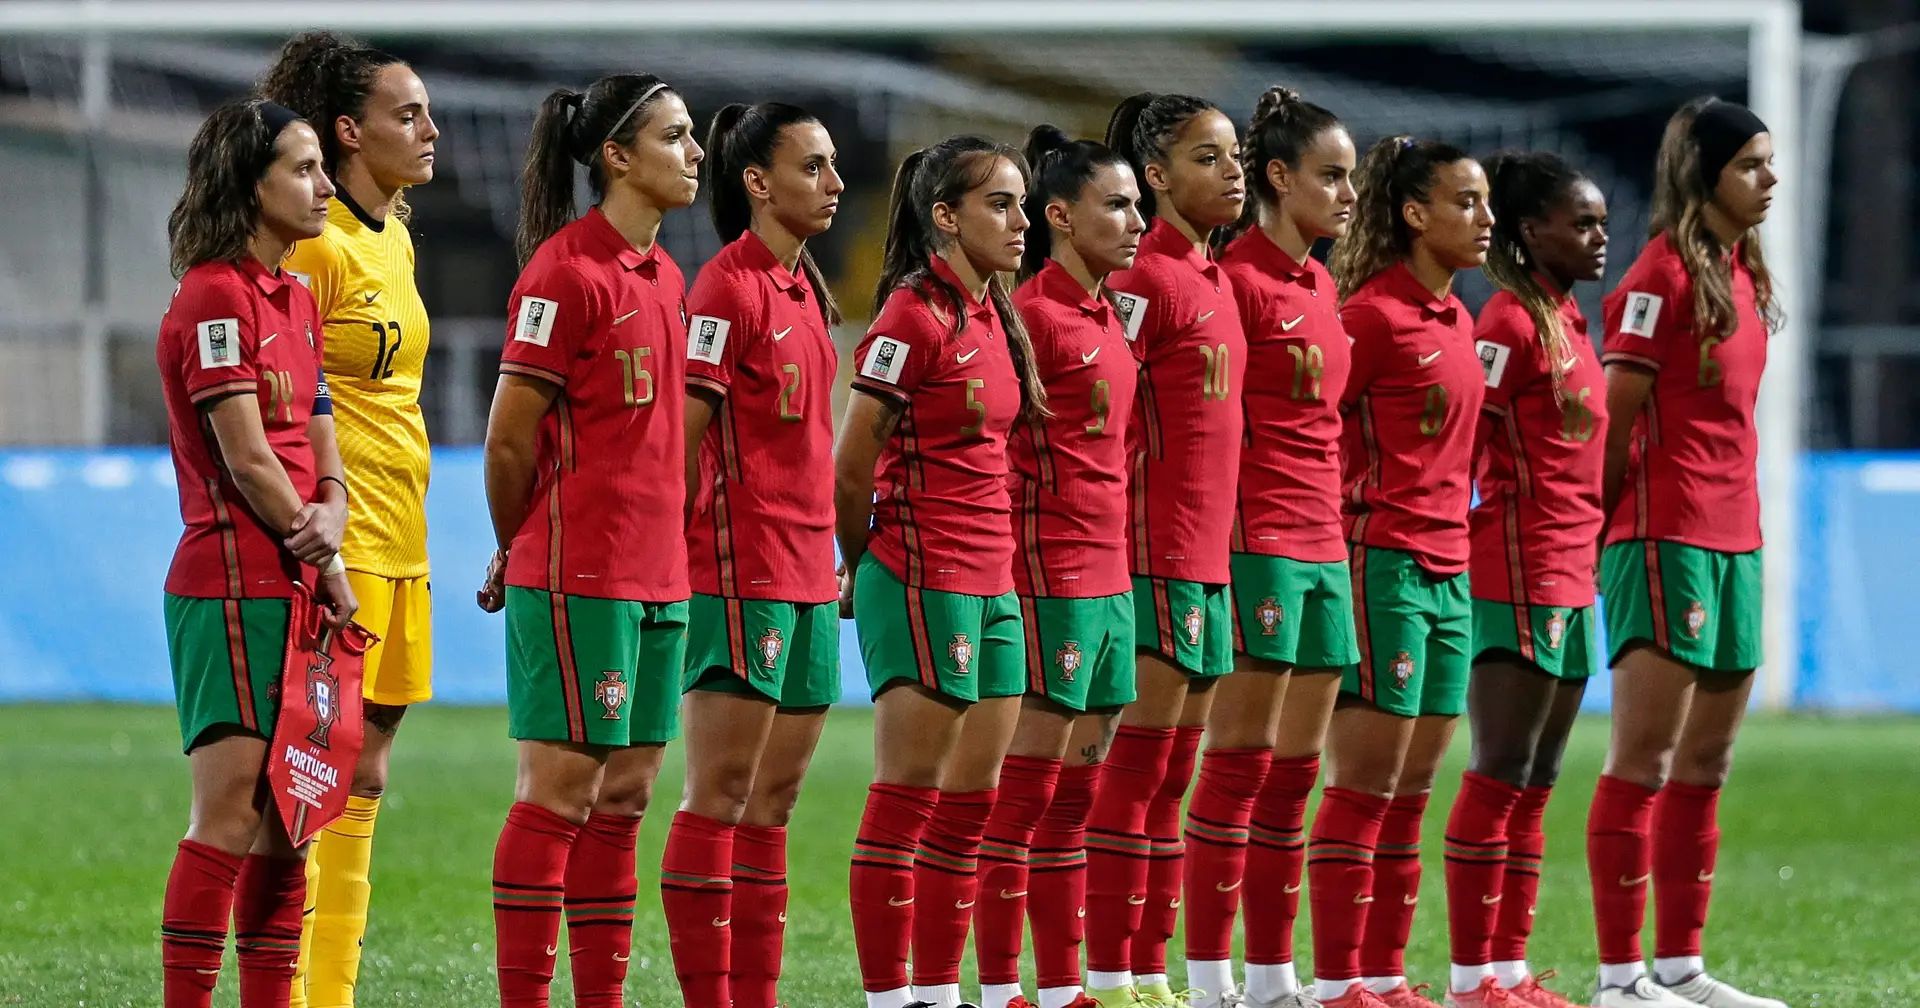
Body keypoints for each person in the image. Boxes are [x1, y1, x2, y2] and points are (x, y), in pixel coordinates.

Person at [475, 73, 700, 1008]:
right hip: (580, 572)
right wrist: (517, 541)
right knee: (559, 794)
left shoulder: (668, 274)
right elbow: (507, 435)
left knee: (629, 798)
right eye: (675, 137)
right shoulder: (564, 273)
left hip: (660, 573)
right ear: (616, 156)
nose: (694, 154)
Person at [836, 134, 1047, 1008]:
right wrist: (860, 564)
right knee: (909, 796)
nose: (1021, 221)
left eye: (1023, 204)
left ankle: (941, 993)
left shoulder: (997, 314)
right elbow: (852, 466)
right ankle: (893, 999)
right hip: (922, 574)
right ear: (946, 217)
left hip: (993, 581)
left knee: (974, 802)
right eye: (1000, 204)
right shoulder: (910, 318)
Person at [155, 97, 356, 1008]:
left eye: (322, 167)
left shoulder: (298, 297)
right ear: (250, 182)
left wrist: (339, 505)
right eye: (305, 169)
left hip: (297, 579)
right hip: (232, 584)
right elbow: (244, 455)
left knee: (290, 822)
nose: (324, 186)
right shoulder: (213, 295)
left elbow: (316, 435)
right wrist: (322, 548)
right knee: (231, 816)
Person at [1585, 97, 1784, 1008]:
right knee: (1644, 760)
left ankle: (1679, 969)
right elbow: (1613, 424)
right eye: (1751, 165)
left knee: (1708, 764)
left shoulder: (1744, 275)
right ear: (1705, 176)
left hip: (1736, 539)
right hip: (1664, 538)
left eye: (1769, 163)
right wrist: (1602, 534)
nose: (1769, 179)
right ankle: (1620, 978)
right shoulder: (1658, 278)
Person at [258, 31, 439, 1007]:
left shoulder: (395, 236)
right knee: (310, 784)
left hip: (404, 538)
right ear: (347, 131)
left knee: (364, 781)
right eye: (406, 114)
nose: (430, 130)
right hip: (341, 541)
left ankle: (335, 993)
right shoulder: (315, 247)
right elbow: (293, 396)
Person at [664, 101, 845, 1008]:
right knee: (721, 794)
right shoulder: (726, 291)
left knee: (774, 805)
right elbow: (678, 437)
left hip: (811, 574)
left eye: (835, 165)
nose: (836, 183)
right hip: (741, 573)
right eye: (813, 166)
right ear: (758, 183)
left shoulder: (806, 286)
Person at [1312, 135, 1494, 1008]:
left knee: (1415, 788)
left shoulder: (1458, 318)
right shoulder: (1371, 316)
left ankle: (1383, 978)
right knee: (1364, 784)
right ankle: (1339, 979)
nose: (1485, 219)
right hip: (1381, 564)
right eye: (1467, 202)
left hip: (1450, 570)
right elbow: (1317, 432)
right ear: (1416, 213)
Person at [1189, 85, 1359, 1008]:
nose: (1346, 196)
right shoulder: (1234, 281)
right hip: (1257, 543)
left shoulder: (1322, 284)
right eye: (1330, 177)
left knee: (1295, 777)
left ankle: (1270, 977)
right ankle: (1211, 979)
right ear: (1279, 177)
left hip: (1324, 544)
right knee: (1240, 763)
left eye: (1354, 180)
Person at [970, 124, 1147, 1008]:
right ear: (1061, 217)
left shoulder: (1109, 312)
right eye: (1117, 205)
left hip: (1110, 579)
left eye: (1139, 206)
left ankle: (1060, 988)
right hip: (1050, 576)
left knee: (1076, 804)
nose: (1137, 221)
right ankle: (1003, 989)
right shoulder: (1029, 314)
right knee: (1023, 803)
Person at [1081, 91, 1246, 1008]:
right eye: (1208, 157)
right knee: (1135, 777)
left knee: (1171, 780)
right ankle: (1109, 976)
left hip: (1206, 559)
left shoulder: (1211, 276)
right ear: (1155, 174)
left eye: (1234, 156)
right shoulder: (1144, 279)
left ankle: (1150, 971)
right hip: (1146, 553)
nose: (1231, 173)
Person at [1439, 150, 1609, 1008]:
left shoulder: (1568, 322)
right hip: (1516, 570)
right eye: (1582, 223)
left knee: (1538, 778)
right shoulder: (1506, 324)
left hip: (1575, 575)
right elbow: (1464, 441)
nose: (1600, 236)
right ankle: (1473, 978)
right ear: (1531, 230)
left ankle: (1510, 969)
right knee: (1500, 764)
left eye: (1602, 221)